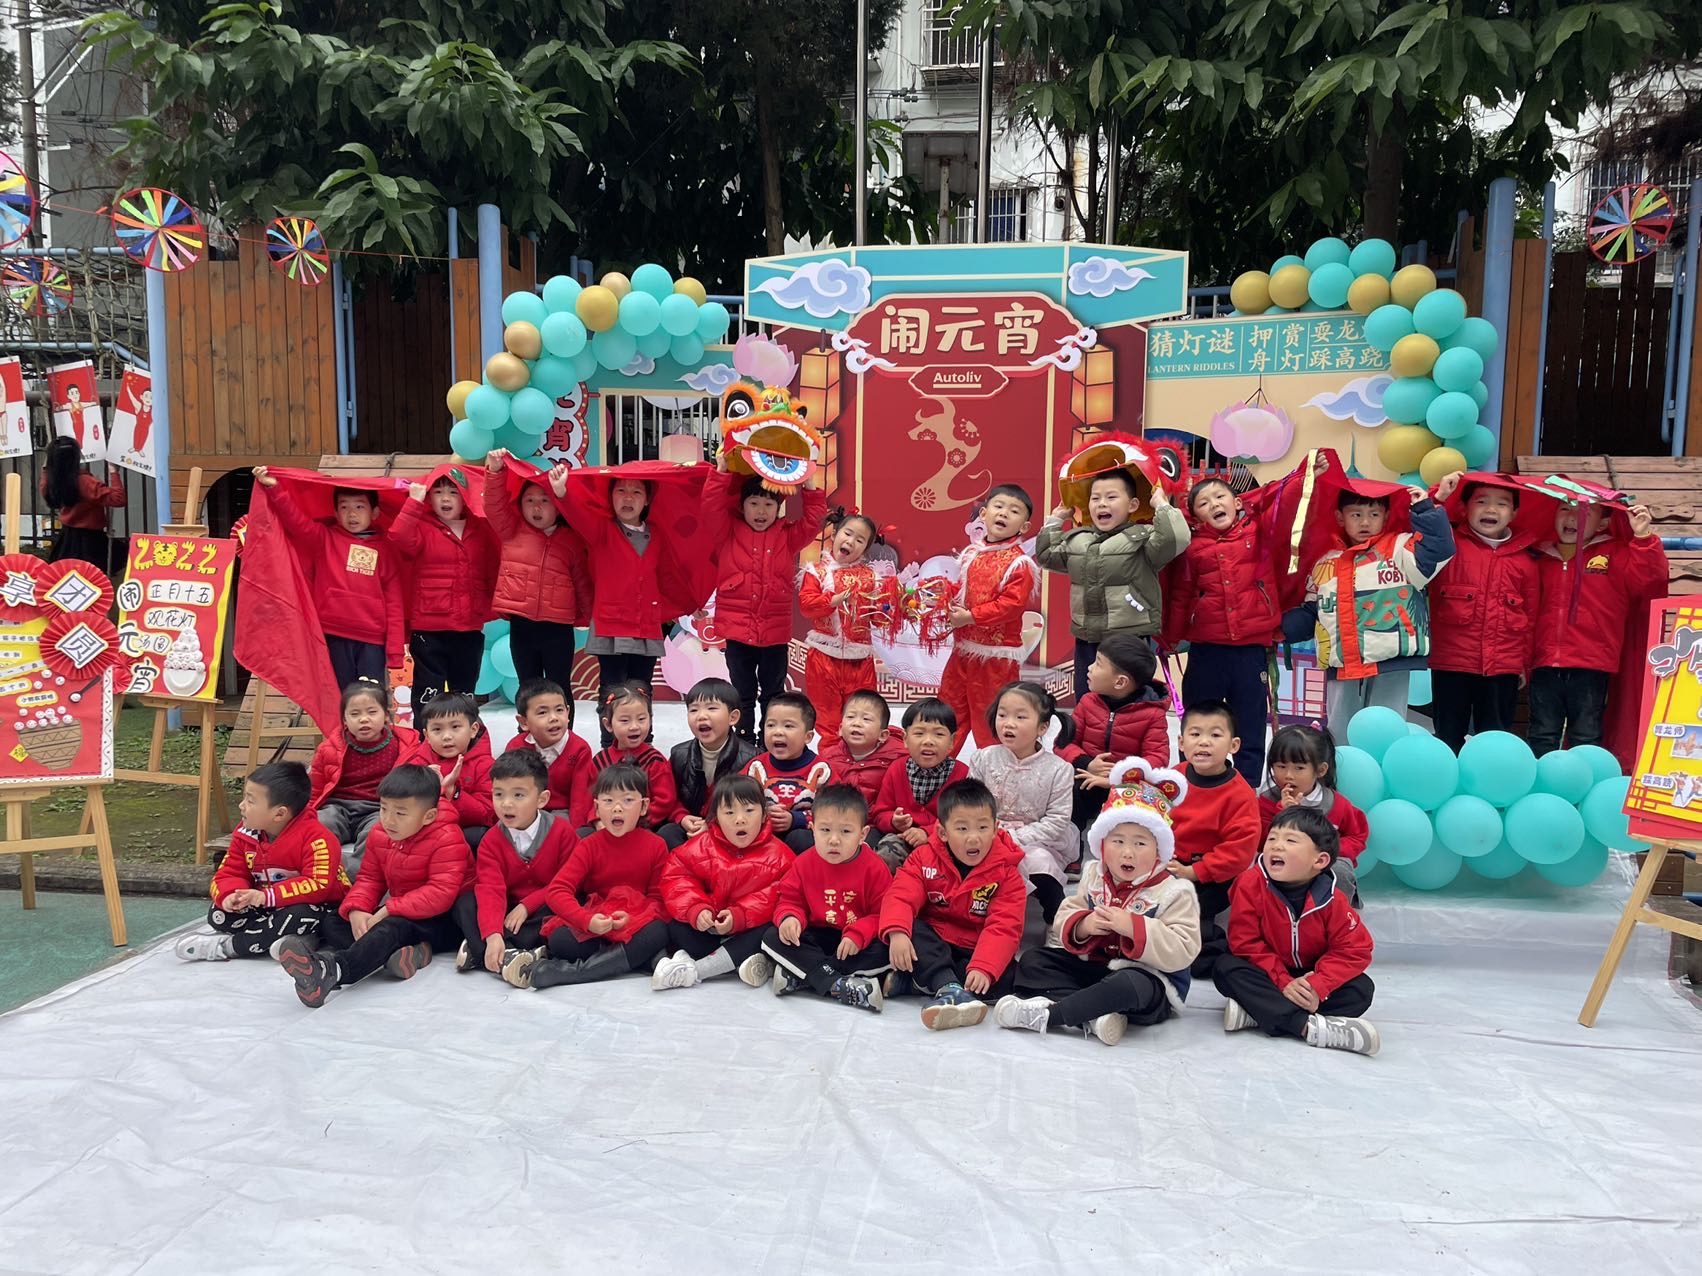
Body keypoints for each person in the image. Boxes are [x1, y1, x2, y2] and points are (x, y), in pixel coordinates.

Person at [995, 758, 1201, 1045]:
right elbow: (1067, 912)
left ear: (1159, 851)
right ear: (1102, 845)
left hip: (1148, 979)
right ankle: (1093, 1014)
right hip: (1095, 967)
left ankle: (1051, 1015)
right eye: (1117, 841)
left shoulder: (1174, 891)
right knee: (1033, 961)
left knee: (1128, 984)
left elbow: (1184, 947)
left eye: (1140, 843)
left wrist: (1133, 926)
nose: (1127, 852)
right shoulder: (1094, 874)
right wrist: (1084, 925)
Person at [276, 765, 473, 1007]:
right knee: (336, 920)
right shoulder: (380, 833)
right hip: (402, 911)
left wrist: (389, 909)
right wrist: (357, 909)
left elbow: (441, 893)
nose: (388, 819)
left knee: (390, 928)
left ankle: (332, 970)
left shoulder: (447, 837)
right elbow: (370, 878)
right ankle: (399, 955)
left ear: (428, 816)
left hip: (444, 920)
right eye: (383, 808)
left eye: (400, 813)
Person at [1164, 468, 1314, 784]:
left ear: (1237, 502)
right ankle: (1192, 783)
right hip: (1207, 650)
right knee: (1199, 719)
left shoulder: (1259, 533)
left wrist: (1305, 477)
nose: (1214, 504)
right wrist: (1170, 638)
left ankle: (1247, 788)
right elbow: (1181, 594)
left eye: (1220, 496)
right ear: (1196, 516)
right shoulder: (1191, 548)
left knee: (1250, 721)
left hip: (1250, 650)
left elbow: (1283, 504)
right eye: (1203, 503)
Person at [1213, 806, 1379, 1056]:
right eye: (1272, 838)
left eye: (1290, 841)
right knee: (1225, 968)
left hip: (1310, 976)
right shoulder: (1249, 884)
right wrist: (1283, 982)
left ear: (1319, 860)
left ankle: (1258, 1013)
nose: (1276, 846)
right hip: (1269, 972)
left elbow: (1355, 949)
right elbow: (1244, 943)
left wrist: (1317, 984)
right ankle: (1306, 1027)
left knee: (1361, 990)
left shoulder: (1332, 899)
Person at [1287, 484, 1454, 728]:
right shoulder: (1325, 562)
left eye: (1374, 514)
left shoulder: (1400, 549)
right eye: (1356, 514)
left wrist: (1425, 509)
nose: (1365, 522)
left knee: (1386, 728)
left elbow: (1439, 549)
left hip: (1391, 663)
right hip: (1341, 665)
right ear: (1340, 517)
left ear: (1385, 516)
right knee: (1339, 732)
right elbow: (1313, 610)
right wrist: (1278, 628)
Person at [502, 763, 672, 990]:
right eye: (608, 801)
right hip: (598, 924)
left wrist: (633, 919)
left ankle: (572, 973)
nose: (617, 808)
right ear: (597, 807)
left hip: (636, 922)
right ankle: (636, 958)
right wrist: (587, 921)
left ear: (644, 806)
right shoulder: (589, 845)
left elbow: (659, 900)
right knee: (560, 940)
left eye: (627, 800)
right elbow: (557, 890)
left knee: (658, 931)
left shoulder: (656, 845)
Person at [877, 778, 1028, 1031]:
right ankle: (949, 987)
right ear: (943, 832)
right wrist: (897, 932)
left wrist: (984, 968)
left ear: (995, 828)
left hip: (974, 947)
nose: (973, 838)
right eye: (962, 828)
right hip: (933, 941)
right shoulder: (923, 858)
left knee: (1009, 975)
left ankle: (922, 984)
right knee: (907, 930)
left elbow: (1004, 926)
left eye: (982, 827)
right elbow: (900, 895)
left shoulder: (1007, 873)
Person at [700, 452, 826, 742]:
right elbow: (710, 506)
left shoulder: (787, 536)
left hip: (774, 634)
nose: (761, 511)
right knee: (741, 692)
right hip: (737, 633)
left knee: (773, 693)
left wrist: (808, 486)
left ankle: (771, 742)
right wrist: (721, 471)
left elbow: (814, 519)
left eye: (768, 504)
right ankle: (743, 740)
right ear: (742, 505)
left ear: (778, 508)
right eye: (753, 503)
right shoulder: (727, 531)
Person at [1036, 469, 1188, 700]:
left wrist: (1161, 504)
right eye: (1095, 498)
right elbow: (1046, 555)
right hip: (1087, 638)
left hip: (1129, 638)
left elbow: (1175, 539)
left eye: (1111, 497)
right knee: (1087, 700)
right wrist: (1056, 519)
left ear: (1133, 505)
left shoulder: (1144, 538)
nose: (1102, 504)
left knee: (1129, 702)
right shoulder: (1078, 539)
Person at [1530, 500, 1669, 754]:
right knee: (1542, 731)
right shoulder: (1539, 556)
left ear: (1604, 523)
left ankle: (1585, 779)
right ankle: (1542, 779)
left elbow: (1650, 581)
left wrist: (1643, 537)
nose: (1572, 517)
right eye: (1564, 508)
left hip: (1592, 662)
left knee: (1586, 733)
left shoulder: (1616, 553)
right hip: (1544, 661)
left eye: (1584, 512)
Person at [175, 762, 347, 962]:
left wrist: (267, 896)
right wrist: (231, 896)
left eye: (250, 801)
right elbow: (229, 872)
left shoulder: (318, 839)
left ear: (279, 814)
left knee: (300, 916)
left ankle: (228, 947)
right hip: (267, 905)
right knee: (218, 914)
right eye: (244, 798)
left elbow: (318, 885)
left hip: (318, 908)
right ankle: (289, 939)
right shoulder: (245, 834)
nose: (241, 805)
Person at [253, 467, 403, 691]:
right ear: (335, 512)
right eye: (344, 507)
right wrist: (275, 489)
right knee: (336, 696)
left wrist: (395, 651)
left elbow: (394, 603)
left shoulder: (386, 550)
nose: (352, 514)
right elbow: (296, 522)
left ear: (375, 513)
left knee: (372, 697)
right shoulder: (324, 538)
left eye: (359, 507)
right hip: (333, 633)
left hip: (372, 638)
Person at [556, 469, 675, 744]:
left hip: (646, 625)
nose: (628, 498)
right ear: (611, 497)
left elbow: (667, 577)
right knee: (611, 689)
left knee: (642, 688)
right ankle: (610, 745)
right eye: (621, 491)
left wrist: (688, 604)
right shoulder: (601, 529)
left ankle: (643, 744)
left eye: (636, 492)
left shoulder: (657, 535)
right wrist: (562, 493)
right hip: (611, 624)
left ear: (647, 500)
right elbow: (577, 517)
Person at [1426, 473, 1542, 751]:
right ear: (1464, 508)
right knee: (1447, 737)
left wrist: (1523, 664)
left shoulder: (1526, 560)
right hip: (1452, 663)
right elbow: (1422, 529)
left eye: (1502, 504)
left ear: (1514, 513)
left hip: (1503, 665)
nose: (1491, 509)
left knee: (1494, 740)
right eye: (1481, 501)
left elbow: (1530, 617)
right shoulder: (1448, 543)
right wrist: (1439, 497)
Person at [651, 774, 794, 990]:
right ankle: (742, 963)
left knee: (771, 932)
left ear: (764, 814)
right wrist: (697, 909)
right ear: (715, 817)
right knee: (673, 923)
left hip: (747, 930)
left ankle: (697, 970)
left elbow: (780, 894)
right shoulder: (701, 846)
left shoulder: (780, 855)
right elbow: (676, 878)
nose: (740, 819)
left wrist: (740, 916)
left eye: (749, 810)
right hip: (709, 928)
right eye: (729, 812)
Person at [761, 784, 893, 1012]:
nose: (834, 840)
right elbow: (790, 900)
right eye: (825, 830)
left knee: (889, 948)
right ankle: (836, 984)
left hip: (854, 943)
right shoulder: (803, 863)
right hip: (818, 936)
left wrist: (858, 935)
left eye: (845, 832)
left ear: (862, 834)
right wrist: (790, 918)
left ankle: (805, 975)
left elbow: (883, 914)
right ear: (812, 829)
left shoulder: (875, 868)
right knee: (772, 937)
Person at [451, 750, 577, 976]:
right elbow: (491, 889)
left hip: (543, 905)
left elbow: (568, 881)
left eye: (518, 795)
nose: (506, 804)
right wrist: (493, 934)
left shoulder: (562, 831)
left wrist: (527, 905)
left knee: (567, 906)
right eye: (498, 794)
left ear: (542, 799)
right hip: (507, 910)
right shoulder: (491, 840)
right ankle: (503, 951)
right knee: (465, 903)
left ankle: (482, 951)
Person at [937, 485, 1039, 753]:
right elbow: (963, 592)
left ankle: (996, 775)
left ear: (1024, 526)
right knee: (948, 715)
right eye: (999, 506)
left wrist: (970, 617)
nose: (1004, 513)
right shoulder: (972, 554)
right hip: (962, 651)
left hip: (995, 660)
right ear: (983, 513)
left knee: (991, 721)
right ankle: (938, 769)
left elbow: (1010, 606)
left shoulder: (1020, 563)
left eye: (1014, 511)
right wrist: (944, 598)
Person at [480, 449, 592, 690]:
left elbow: (581, 580)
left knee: (559, 686)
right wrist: (495, 471)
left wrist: (591, 616)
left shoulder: (571, 539)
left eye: (545, 500)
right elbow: (494, 506)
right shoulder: (511, 530)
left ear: (558, 507)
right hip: (523, 624)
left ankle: (564, 719)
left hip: (559, 627)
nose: (536, 507)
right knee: (528, 686)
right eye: (529, 500)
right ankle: (528, 718)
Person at [1167, 699, 1261, 975]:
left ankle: (1210, 948)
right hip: (1168, 865)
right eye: (1195, 734)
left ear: (1234, 745)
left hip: (1212, 877)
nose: (1204, 742)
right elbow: (1153, 817)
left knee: (1194, 918)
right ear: (1181, 742)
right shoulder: (1173, 779)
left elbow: (1239, 851)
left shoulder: (1240, 794)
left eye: (1215, 735)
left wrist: (1195, 872)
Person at [390, 469, 499, 705]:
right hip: (430, 627)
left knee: (465, 692)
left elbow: (491, 569)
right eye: (438, 492)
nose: (445, 498)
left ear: (465, 497)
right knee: (428, 692)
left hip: (469, 627)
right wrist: (413, 503)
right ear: (429, 498)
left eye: (453, 492)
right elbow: (399, 537)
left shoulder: (480, 529)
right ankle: (425, 730)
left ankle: (465, 729)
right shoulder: (421, 526)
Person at [970, 681, 1077, 922]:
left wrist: (1014, 838)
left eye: (1020, 717)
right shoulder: (982, 758)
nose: (1008, 723)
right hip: (988, 835)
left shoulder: (1059, 769)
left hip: (1037, 840)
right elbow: (971, 803)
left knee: (1041, 865)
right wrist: (989, 833)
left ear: (1042, 727)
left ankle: (1055, 922)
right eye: (1002, 715)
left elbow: (1057, 821)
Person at [1059, 631, 1171, 832]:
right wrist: (1087, 763)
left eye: (1098, 664)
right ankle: (1073, 844)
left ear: (1120, 682)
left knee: (1141, 810)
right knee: (1067, 794)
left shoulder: (1153, 714)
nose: (1089, 668)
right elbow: (1063, 743)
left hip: (1127, 785)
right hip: (1087, 777)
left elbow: (1157, 759)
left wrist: (1118, 777)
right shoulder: (1087, 702)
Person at [798, 508, 891, 741]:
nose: (851, 541)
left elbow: (879, 619)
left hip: (860, 661)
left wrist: (891, 608)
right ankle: (832, 759)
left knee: (862, 716)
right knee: (827, 719)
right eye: (848, 533)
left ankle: (860, 758)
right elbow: (807, 606)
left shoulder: (872, 578)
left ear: (865, 549)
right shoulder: (816, 572)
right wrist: (832, 600)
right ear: (835, 533)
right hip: (823, 657)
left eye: (860, 540)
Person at [308, 680, 415, 877]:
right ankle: (320, 873)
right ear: (344, 720)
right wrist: (305, 815)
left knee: (376, 833)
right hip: (338, 807)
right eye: (355, 714)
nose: (364, 719)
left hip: (378, 808)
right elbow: (315, 787)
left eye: (372, 712)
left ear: (386, 715)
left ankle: (352, 878)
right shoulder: (329, 748)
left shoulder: (405, 746)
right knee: (320, 823)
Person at [1256, 725, 1368, 904]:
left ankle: (1337, 914)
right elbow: (1259, 841)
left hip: (1324, 860)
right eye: (1281, 766)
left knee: (1340, 871)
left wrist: (1328, 850)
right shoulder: (1267, 801)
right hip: (1282, 858)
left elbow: (1357, 835)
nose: (1288, 775)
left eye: (1299, 768)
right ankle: (1272, 913)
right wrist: (1283, 814)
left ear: (1320, 770)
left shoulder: (1336, 804)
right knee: (1257, 872)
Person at [870, 698, 968, 870]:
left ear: (952, 741)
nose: (928, 741)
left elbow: (964, 819)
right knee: (885, 854)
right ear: (905, 739)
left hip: (945, 843)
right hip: (903, 840)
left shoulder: (962, 774)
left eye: (939, 734)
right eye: (919, 733)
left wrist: (927, 832)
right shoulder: (897, 769)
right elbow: (879, 814)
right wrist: (893, 821)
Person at [664, 677, 758, 843]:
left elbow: (753, 809)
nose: (701, 716)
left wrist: (713, 825)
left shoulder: (752, 758)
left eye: (712, 708)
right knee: (668, 833)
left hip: (731, 830)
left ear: (733, 717)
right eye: (693, 710)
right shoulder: (679, 754)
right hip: (690, 827)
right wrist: (682, 817)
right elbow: (671, 797)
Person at [398, 691, 494, 852]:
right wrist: (422, 784)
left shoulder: (486, 766)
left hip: (464, 833)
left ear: (473, 730)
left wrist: (453, 792)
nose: (447, 736)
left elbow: (486, 815)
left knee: (481, 836)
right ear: (427, 735)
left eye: (455, 727)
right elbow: (397, 800)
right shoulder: (418, 763)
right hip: (426, 832)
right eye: (437, 729)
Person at [745, 691, 834, 854]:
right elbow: (735, 801)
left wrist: (796, 819)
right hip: (762, 837)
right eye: (771, 725)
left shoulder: (822, 770)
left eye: (788, 726)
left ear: (808, 737)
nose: (778, 732)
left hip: (802, 841)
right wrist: (763, 814)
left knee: (801, 838)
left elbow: (836, 810)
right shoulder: (755, 766)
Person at [590, 681, 678, 842]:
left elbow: (665, 801)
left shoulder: (655, 760)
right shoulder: (600, 761)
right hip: (607, 825)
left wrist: (634, 821)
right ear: (608, 724)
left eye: (641, 719)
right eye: (625, 720)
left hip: (644, 826)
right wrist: (597, 820)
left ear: (650, 720)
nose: (634, 726)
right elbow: (589, 798)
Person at [506, 678, 594, 830]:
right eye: (542, 712)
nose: (554, 718)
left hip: (562, 812)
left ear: (568, 712)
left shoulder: (580, 749)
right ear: (524, 722)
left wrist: (576, 833)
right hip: (526, 809)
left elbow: (580, 798)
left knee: (558, 828)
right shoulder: (516, 747)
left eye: (559, 710)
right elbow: (509, 789)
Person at [41, 435, 125, 571]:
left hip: (66, 539)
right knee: (91, 576)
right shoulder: (84, 482)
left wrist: (48, 466)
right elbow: (118, 499)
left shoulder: (50, 481)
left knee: (66, 575)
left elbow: (46, 482)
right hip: (90, 541)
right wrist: (113, 472)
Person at [816, 689, 905, 809]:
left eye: (866, 719)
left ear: (883, 735)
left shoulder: (897, 760)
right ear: (840, 729)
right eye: (850, 717)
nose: (856, 723)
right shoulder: (827, 758)